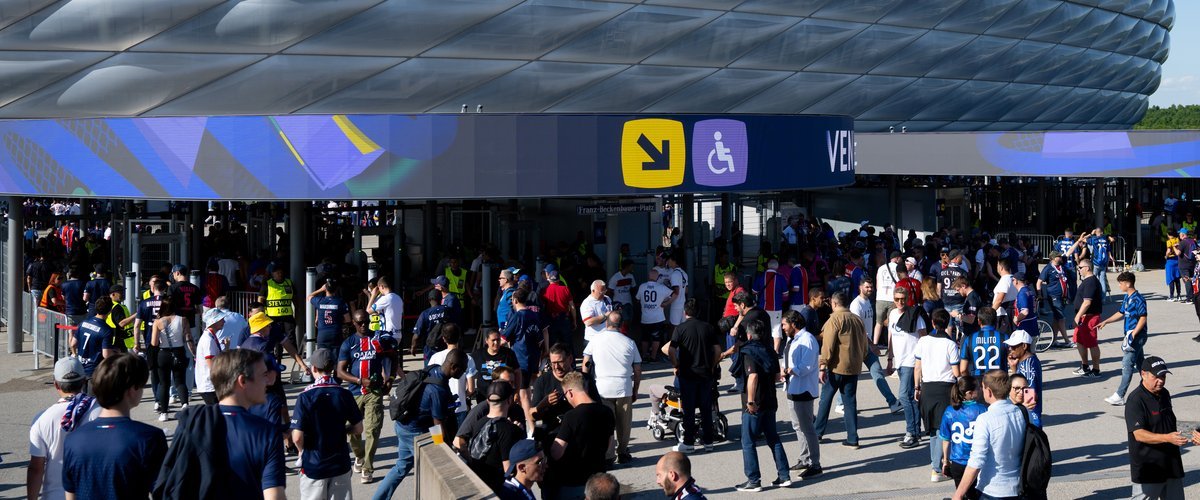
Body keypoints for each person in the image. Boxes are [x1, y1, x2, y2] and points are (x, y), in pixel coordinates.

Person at [155, 348, 286, 499]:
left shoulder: (193, 422)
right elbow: (274, 496)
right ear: (242, 381)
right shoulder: (267, 433)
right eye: (263, 375)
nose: (267, 381)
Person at [63, 353, 167, 500]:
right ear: (132, 390)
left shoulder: (73, 439)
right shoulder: (148, 438)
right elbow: (163, 492)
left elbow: (70, 494)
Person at [374, 349, 465, 500]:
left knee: (401, 467)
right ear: (454, 367)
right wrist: (444, 450)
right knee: (435, 470)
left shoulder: (434, 369)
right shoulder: (438, 390)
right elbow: (438, 427)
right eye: (463, 369)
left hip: (402, 425)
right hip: (414, 432)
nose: (464, 372)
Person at [291, 348, 364, 500]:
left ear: (314, 368)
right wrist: (343, 430)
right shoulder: (344, 394)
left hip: (314, 465)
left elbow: (297, 437)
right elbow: (358, 428)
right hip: (340, 463)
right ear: (333, 368)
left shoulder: (305, 396)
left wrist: (301, 452)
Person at [337, 309, 399, 484]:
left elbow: (394, 357)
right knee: (352, 431)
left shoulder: (378, 339)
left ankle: (368, 468)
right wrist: (359, 380)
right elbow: (340, 372)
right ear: (354, 323)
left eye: (366, 321)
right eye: (360, 323)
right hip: (355, 392)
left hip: (375, 392)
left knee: (373, 429)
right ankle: (359, 455)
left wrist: (390, 379)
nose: (364, 325)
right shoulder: (348, 344)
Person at [27, 358, 100, 500]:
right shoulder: (102, 413)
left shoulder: (41, 419)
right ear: (84, 381)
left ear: (56, 384)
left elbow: (36, 468)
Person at [736, 319, 791, 492]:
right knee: (773, 438)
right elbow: (777, 376)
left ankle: (753, 480)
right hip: (770, 400)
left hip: (756, 403)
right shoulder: (770, 350)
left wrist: (750, 401)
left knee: (748, 441)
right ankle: (784, 476)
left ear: (749, 335)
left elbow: (753, 376)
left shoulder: (749, 351)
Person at [951, 370, 1023, 500]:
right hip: (1017, 487)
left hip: (992, 489)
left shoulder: (985, 419)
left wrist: (959, 493)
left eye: (983, 387)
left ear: (989, 391)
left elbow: (977, 460)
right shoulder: (1021, 413)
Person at [582, 311, 641, 464]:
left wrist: (585, 385)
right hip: (624, 388)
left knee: (605, 425)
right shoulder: (630, 343)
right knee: (624, 425)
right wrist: (635, 390)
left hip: (602, 388)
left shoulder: (595, 340)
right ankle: (622, 452)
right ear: (621, 325)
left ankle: (608, 455)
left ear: (606, 323)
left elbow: (586, 363)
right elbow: (637, 370)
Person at [547, 371, 616, 500]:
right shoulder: (607, 412)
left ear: (570, 393)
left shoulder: (571, 416)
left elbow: (557, 452)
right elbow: (609, 446)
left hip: (574, 482)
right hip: (597, 482)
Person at [1125, 356, 1186, 499]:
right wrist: (1167, 438)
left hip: (1171, 464)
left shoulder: (1165, 394)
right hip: (1149, 468)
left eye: (1163, 376)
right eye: (1156, 377)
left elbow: (1168, 423)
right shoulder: (1136, 400)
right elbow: (1139, 434)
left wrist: (1190, 435)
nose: (1161, 380)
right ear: (1143, 374)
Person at [813, 292, 867, 449]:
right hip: (853, 367)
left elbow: (828, 346)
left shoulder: (834, 320)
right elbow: (864, 345)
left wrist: (822, 365)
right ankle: (853, 438)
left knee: (825, 400)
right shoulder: (857, 319)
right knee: (849, 403)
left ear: (834, 303)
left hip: (836, 367)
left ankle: (817, 433)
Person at [669, 299, 722, 453]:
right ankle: (708, 441)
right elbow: (718, 350)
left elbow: (671, 350)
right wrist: (712, 365)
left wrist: (676, 365)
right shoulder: (708, 327)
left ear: (685, 312)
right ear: (698, 312)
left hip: (687, 373)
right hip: (705, 373)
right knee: (706, 408)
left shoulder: (680, 328)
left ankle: (689, 442)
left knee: (689, 409)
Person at [914, 309, 961, 483]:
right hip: (945, 389)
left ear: (933, 323)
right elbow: (956, 372)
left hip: (927, 388)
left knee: (934, 430)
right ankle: (938, 467)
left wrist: (917, 387)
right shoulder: (950, 344)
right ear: (947, 323)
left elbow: (917, 367)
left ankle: (936, 465)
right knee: (944, 429)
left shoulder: (923, 341)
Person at [454, 381, 524, 491]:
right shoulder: (508, 430)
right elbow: (509, 471)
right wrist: (518, 435)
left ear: (488, 401)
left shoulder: (478, 423)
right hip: (497, 488)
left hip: (479, 483)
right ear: (509, 400)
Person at [781, 309, 822, 478]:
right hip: (792, 387)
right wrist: (784, 370)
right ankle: (805, 458)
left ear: (793, 324)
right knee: (797, 426)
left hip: (803, 389)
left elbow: (807, 366)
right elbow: (788, 360)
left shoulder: (808, 339)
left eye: (784, 324)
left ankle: (815, 464)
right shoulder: (792, 339)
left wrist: (790, 370)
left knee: (807, 428)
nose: (783, 327)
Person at [1100, 272, 1148, 406]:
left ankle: (1120, 395)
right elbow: (1121, 313)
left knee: (1127, 365)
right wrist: (1106, 321)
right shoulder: (1127, 297)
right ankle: (1149, 389)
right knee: (1141, 365)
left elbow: (1143, 317)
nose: (1119, 286)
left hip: (1136, 336)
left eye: (1121, 283)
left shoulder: (1138, 299)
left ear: (1128, 283)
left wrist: (1134, 334)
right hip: (1131, 335)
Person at [889, 287, 927, 449]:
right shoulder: (892, 314)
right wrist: (890, 359)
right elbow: (891, 336)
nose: (900, 302)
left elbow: (924, 338)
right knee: (911, 397)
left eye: (903, 299)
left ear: (908, 298)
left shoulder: (916, 316)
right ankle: (915, 431)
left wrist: (922, 361)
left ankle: (911, 432)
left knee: (904, 396)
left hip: (911, 362)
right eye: (897, 299)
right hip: (899, 361)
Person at [503, 288, 548, 426]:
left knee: (523, 394)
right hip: (533, 358)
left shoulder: (517, 316)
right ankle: (531, 421)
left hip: (520, 359)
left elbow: (504, 338)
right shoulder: (534, 315)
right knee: (528, 390)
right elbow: (540, 338)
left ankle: (532, 427)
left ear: (515, 300)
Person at [939, 375, 985, 499]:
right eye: (978, 388)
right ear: (969, 393)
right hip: (977, 462)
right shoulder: (982, 410)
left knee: (961, 493)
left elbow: (946, 439)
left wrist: (945, 461)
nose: (980, 390)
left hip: (957, 462)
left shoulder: (949, 411)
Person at [150, 297, 192, 421]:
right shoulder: (183, 319)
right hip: (179, 351)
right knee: (180, 381)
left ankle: (164, 413)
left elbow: (154, 343)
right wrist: (194, 352)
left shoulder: (157, 322)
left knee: (164, 383)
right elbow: (188, 338)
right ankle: (185, 405)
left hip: (163, 354)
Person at [70, 296, 117, 381]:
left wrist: (75, 354)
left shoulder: (83, 323)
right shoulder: (106, 330)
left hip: (80, 369)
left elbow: (73, 344)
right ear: (110, 310)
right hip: (95, 371)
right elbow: (106, 355)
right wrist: (116, 354)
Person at [1072, 258, 1104, 377]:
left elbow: (1087, 302)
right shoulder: (1087, 281)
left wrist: (1077, 316)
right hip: (1083, 317)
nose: (1078, 270)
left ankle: (1096, 370)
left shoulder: (1091, 282)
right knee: (1080, 341)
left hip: (1089, 317)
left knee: (1091, 343)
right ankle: (1085, 366)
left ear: (1087, 268)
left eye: (1080, 267)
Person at [1037, 251, 1074, 347]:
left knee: (1056, 318)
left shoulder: (1061, 265)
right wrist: (1039, 294)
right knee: (1061, 318)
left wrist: (1077, 243)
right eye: (1059, 256)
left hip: (1063, 296)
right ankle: (1067, 341)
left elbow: (1069, 252)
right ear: (1054, 258)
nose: (1061, 258)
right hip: (1054, 296)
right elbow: (1039, 282)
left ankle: (1054, 340)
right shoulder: (1048, 268)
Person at [636, 268, 674, 361]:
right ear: (657, 277)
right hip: (658, 317)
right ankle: (653, 357)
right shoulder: (661, 287)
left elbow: (637, 299)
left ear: (649, 276)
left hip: (645, 317)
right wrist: (666, 302)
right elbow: (674, 293)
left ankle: (644, 356)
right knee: (656, 338)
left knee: (645, 338)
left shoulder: (642, 286)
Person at [751, 259, 789, 352]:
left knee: (762, 328)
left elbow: (754, 291)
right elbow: (786, 294)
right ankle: (776, 351)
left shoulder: (761, 277)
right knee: (776, 330)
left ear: (767, 266)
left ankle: (762, 350)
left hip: (762, 308)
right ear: (777, 267)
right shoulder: (781, 278)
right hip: (776, 308)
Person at [474, 328, 520, 403]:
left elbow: (517, 372)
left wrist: (517, 392)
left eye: (498, 340)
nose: (496, 342)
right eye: (493, 340)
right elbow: (469, 372)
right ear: (486, 341)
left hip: (504, 396)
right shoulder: (478, 354)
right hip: (483, 397)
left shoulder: (508, 354)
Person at [959, 307, 1007, 378]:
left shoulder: (970, 339)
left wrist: (970, 381)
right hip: (999, 380)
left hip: (977, 380)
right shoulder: (1004, 338)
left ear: (979, 321)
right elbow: (1012, 361)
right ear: (996, 321)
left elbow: (963, 370)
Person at [1004, 330, 1042, 418]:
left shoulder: (1027, 365)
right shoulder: (1028, 361)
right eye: (1010, 346)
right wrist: (1014, 368)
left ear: (1024, 346)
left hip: (1029, 416)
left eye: (1013, 346)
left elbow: (1030, 394)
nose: (1010, 349)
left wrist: (1022, 412)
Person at [541, 264, 578, 352]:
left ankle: (553, 360)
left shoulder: (544, 290)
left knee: (553, 345)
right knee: (567, 344)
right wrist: (574, 320)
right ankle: (570, 360)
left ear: (549, 279)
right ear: (558, 279)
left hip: (551, 320)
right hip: (564, 319)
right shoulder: (565, 289)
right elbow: (572, 306)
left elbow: (543, 307)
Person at [309, 280, 351, 352]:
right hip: (335, 334)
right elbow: (348, 319)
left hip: (322, 335)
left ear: (325, 289)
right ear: (336, 290)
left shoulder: (319, 301)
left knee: (322, 356)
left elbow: (309, 296)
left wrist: (321, 289)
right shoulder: (340, 302)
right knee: (336, 356)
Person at [195, 309, 226, 404]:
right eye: (221, 320)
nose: (224, 322)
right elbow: (211, 364)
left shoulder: (210, 337)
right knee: (215, 412)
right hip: (209, 386)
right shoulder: (208, 340)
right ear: (214, 321)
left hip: (211, 385)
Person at [580, 280, 613, 346]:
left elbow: (611, 311)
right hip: (593, 340)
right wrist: (605, 316)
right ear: (593, 291)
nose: (603, 294)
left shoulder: (607, 298)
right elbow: (588, 322)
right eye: (601, 292)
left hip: (607, 337)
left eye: (605, 291)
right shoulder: (587, 303)